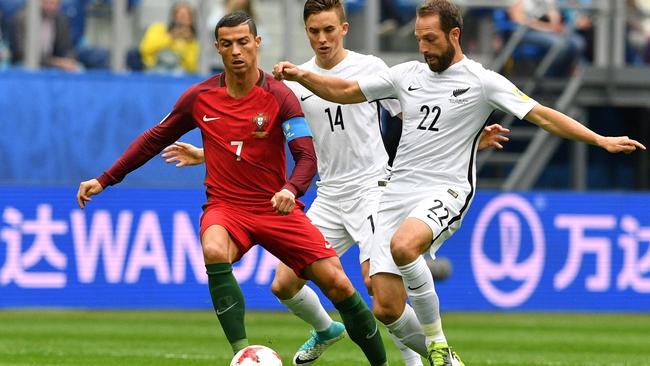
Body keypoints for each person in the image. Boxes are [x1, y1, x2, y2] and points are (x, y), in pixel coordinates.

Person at [272, 1, 646, 365]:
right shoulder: (405, 75)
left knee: (404, 247)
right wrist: (303, 76)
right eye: (419, 38)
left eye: (431, 39)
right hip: (396, 192)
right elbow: (345, 92)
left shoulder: (482, 81)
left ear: (454, 34)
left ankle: (436, 343)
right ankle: (447, 361)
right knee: (385, 307)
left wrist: (599, 139)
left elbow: (543, 116)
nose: (424, 47)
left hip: (444, 189)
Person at [162, 2, 508, 365]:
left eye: (329, 30)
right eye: (314, 31)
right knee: (283, 285)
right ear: (306, 32)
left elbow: (414, 113)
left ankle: (422, 359)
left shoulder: (370, 67)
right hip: (328, 194)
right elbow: (263, 135)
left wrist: (463, 135)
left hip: (373, 189)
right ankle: (326, 329)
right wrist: (206, 154)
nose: (322, 39)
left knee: (380, 291)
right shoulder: (297, 81)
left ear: (344, 29)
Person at [77, 11, 389, 366]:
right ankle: (243, 352)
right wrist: (105, 179)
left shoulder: (280, 95)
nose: (236, 51)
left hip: (275, 207)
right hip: (226, 208)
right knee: (213, 247)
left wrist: (292, 188)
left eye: (243, 42)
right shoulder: (200, 97)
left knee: (338, 284)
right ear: (217, 48)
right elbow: (152, 140)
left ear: (257, 44)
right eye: (227, 44)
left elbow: (305, 156)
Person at [507, 0, 585, 76]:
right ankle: (548, 76)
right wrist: (547, 27)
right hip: (524, 31)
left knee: (578, 42)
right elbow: (518, 19)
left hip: (545, 29)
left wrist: (555, 27)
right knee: (560, 45)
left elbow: (553, 14)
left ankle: (560, 75)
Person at [10, 0, 81, 71]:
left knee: (77, 68)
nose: (50, 7)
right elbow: (21, 53)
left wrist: (69, 59)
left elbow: (66, 47)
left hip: (53, 63)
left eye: (54, 4)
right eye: (47, 3)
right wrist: (56, 62)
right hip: (24, 63)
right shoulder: (21, 19)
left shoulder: (61, 20)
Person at [140, 1, 199, 74]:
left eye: (186, 17)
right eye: (180, 16)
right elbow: (145, 49)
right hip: (153, 70)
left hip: (178, 75)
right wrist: (170, 38)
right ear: (173, 17)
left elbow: (191, 68)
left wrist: (188, 43)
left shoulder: (191, 41)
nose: (183, 20)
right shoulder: (158, 28)